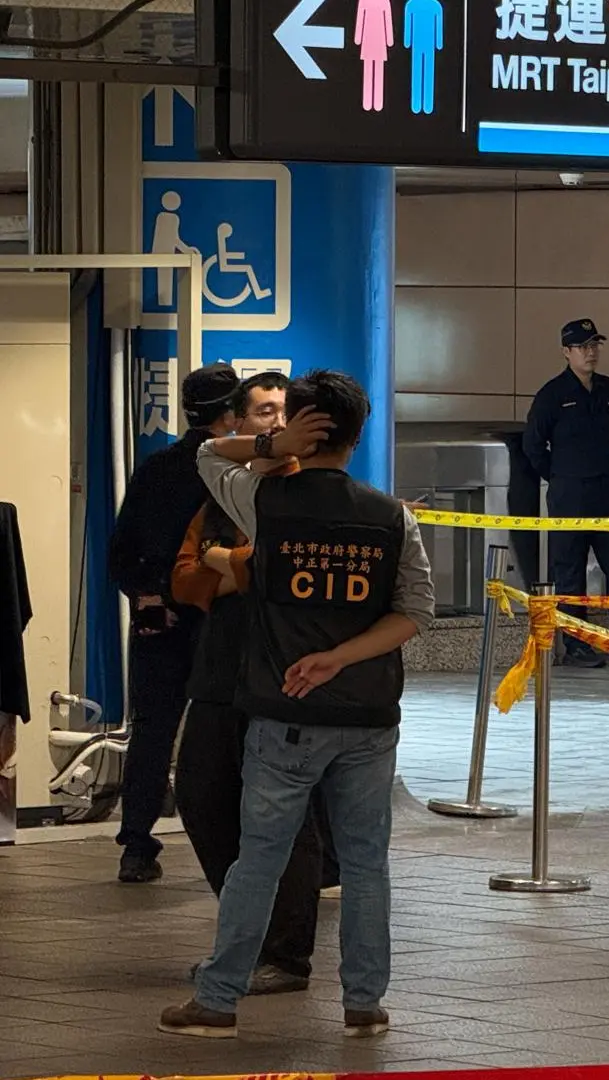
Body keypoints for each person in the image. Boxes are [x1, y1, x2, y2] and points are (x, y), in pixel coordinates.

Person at [160, 371, 433, 1040]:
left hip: (286, 714)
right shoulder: (392, 516)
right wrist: (342, 656)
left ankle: (219, 999)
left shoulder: (267, 501)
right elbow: (415, 613)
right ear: (359, 434)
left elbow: (203, 454)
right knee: (367, 862)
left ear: (302, 429)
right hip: (369, 717)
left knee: (259, 858)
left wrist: (270, 444)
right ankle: (364, 1002)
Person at [169, 371, 324, 997]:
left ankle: (286, 956)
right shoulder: (222, 492)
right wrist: (234, 568)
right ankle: (246, 931)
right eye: (263, 411)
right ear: (243, 420)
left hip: (284, 676)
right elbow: (182, 579)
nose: (274, 422)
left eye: (284, 412)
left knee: (285, 815)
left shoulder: (309, 493)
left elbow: (278, 572)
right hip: (217, 675)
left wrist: (224, 562)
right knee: (202, 797)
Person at [108, 363, 240, 884]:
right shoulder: (234, 474)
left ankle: (136, 845)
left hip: (157, 622)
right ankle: (234, 846)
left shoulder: (155, 468)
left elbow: (120, 553)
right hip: (220, 622)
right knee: (231, 732)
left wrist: (149, 596)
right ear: (231, 414)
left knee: (152, 732)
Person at [523, 318, 609, 667]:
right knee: (570, 569)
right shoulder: (552, 396)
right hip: (569, 494)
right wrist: (560, 477)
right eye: (583, 347)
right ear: (566, 352)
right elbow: (533, 446)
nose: (591, 353)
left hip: (606, 490)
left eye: (594, 345)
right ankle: (577, 644)